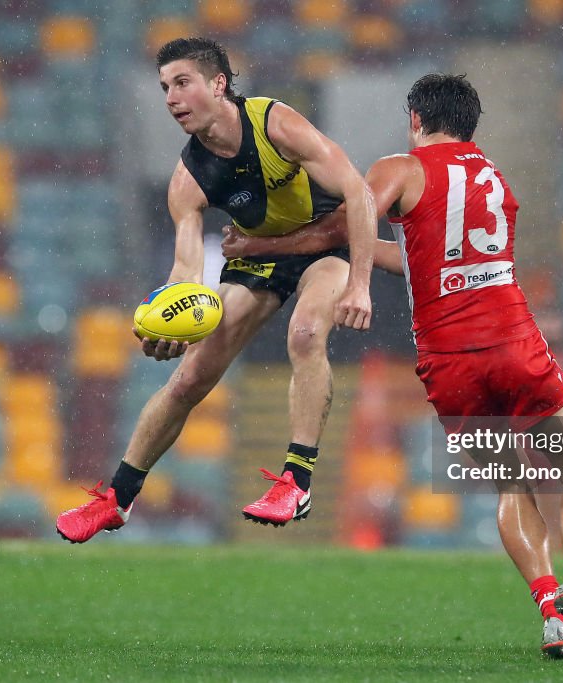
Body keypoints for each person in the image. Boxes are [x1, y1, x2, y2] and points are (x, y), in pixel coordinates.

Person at [221, 74, 563, 662]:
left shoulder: (401, 168)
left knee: (510, 483)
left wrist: (266, 246)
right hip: (511, 340)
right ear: (470, 124)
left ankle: (552, 615)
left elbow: (349, 221)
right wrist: (341, 249)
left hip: (447, 360)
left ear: (415, 118)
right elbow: (418, 256)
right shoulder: (494, 179)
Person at [56, 38, 376, 542]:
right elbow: (185, 270)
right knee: (188, 379)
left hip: (325, 246)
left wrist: (360, 284)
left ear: (219, 83)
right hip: (259, 257)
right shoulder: (188, 180)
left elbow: (359, 191)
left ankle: (296, 483)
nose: (171, 98)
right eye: (165, 87)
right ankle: (118, 499)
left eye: (182, 83)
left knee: (305, 332)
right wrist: (168, 321)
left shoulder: (275, 123)